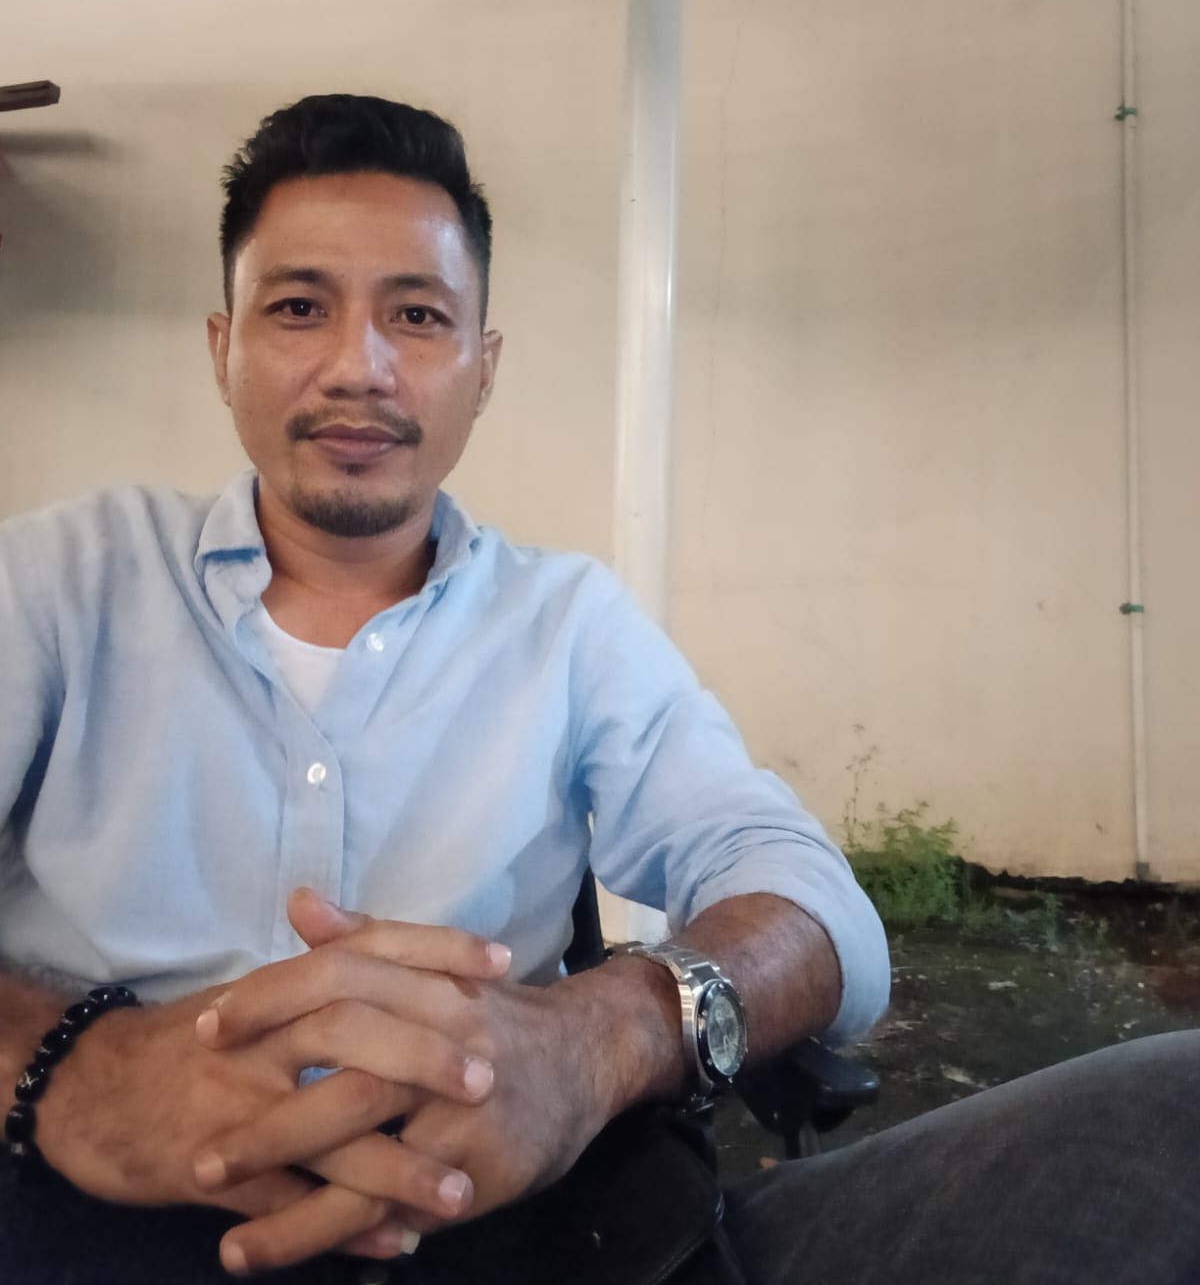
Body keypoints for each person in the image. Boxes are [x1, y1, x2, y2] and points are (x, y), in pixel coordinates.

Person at [0, 95, 1195, 1285]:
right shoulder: (57, 582)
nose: (358, 367)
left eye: (417, 314)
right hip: (70, 1215)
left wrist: (602, 1035)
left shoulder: (565, 625)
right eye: (300, 307)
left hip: (510, 1241)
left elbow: (811, 901)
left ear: (482, 368)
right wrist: (69, 1070)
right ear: (223, 348)